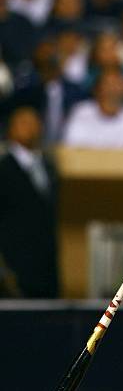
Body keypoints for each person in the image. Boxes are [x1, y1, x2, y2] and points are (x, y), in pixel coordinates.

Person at [0, 107, 59, 297]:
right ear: (10, 129)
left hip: (47, 266)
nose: (30, 127)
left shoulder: (49, 166)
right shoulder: (4, 168)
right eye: (23, 123)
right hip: (14, 267)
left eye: (34, 122)